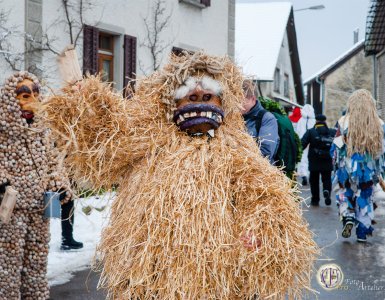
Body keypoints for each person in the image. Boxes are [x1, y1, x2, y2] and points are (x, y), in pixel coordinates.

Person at [41, 50, 318, 299]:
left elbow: (264, 195)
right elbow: (103, 146)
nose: (199, 103)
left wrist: (259, 229)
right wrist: (83, 102)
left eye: (207, 97)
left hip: (213, 276)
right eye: (192, 97)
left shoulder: (236, 150)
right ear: (173, 103)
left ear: (222, 102)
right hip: (149, 273)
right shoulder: (149, 140)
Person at [0, 71, 72, 299]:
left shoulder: (43, 130)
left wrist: (59, 184)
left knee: (36, 265)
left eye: (35, 94)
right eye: (24, 96)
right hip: (11, 212)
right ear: (11, 99)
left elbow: (54, 161)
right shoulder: (3, 130)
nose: (32, 101)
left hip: (40, 209)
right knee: (7, 268)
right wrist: (3, 182)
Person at [333, 89, 384, 242]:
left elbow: (336, 147)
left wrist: (336, 164)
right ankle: (362, 232)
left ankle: (348, 215)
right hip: (368, 170)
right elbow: (382, 150)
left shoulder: (343, 122)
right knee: (365, 198)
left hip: (346, 168)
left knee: (344, 192)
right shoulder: (380, 124)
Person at [241, 80, 279, 164]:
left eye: (241, 100)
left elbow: (266, 152)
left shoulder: (267, 119)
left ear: (253, 99)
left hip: (257, 173)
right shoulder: (236, 117)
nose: (237, 104)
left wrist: (238, 158)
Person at [301, 114, 335, 206]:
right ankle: (326, 190)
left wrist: (297, 153)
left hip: (314, 160)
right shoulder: (331, 132)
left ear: (316, 121)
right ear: (325, 121)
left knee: (314, 180)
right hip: (327, 159)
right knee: (327, 178)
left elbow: (302, 144)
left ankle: (315, 200)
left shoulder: (311, 132)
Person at [296, 104, 316, 185]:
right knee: (311, 158)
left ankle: (304, 174)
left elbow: (297, 132)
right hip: (312, 142)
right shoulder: (314, 121)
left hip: (303, 142)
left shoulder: (301, 120)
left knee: (303, 158)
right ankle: (310, 174)